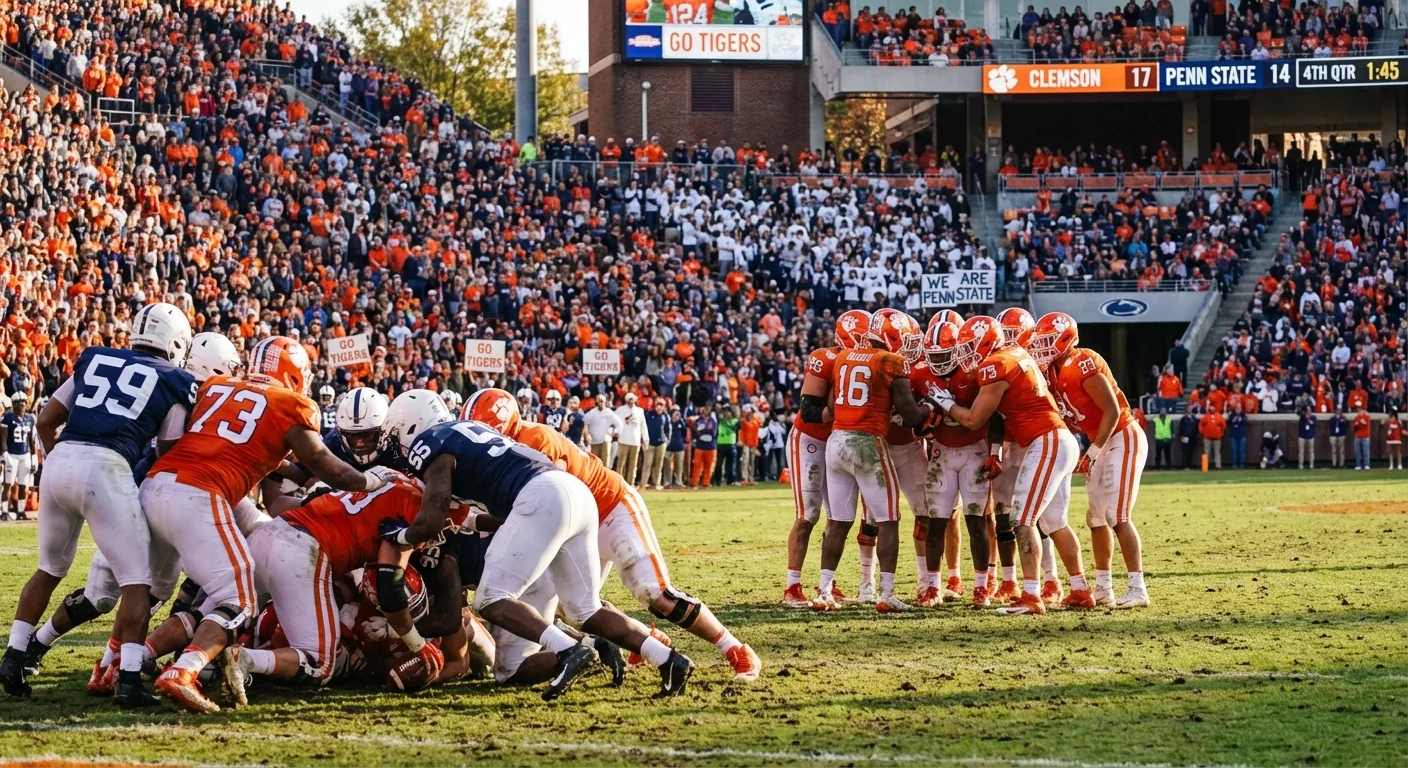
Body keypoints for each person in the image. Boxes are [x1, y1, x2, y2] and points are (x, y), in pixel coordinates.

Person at [384, 396, 697, 700]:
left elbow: (434, 511)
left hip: (541, 496)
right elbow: (489, 512)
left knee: (491, 598)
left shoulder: (432, 442)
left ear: (411, 426)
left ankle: (568, 649)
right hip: (573, 493)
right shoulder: (470, 432)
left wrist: (401, 536)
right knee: (585, 609)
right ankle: (669, 659)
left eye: (396, 435)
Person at [147, 336, 389, 713]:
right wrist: (371, 483)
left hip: (158, 483)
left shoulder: (216, 387)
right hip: (209, 497)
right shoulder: (290, 405)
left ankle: (126, 661)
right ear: (293, 374)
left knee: (187, 598)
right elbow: (323, 466)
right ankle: (186, 668)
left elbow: (234, 444)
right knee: (240, 602)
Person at [462, 388, 760, 681]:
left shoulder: (535, 441)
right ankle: (647, 641)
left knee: (654, 592)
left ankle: (734, 648)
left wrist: (472, 521)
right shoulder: (506, 446)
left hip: (608, 507)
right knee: (573, 606)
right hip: (571, 525)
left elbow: (536, 506)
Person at [20, 333, 243, 691]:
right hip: (134, 498)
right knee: (114, 594)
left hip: (152, 500)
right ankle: (54, 648)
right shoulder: (180, 389)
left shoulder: (182, 388)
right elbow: (168, 448)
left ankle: (112, 664)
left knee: (150, 591)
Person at [1, 303, 195, 707]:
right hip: (108, 467)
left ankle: (14, 655)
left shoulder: (95, 357)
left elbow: (45, 420)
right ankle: (127, 680)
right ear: (175, 341)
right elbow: (169, 451)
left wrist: (62, 459)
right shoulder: (176, 379)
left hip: (60, 461)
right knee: (137, 582)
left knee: (49, 568)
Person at [934, 313, 1091, 615]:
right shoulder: (1016, 353)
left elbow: (973, 419)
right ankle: (1081, 589)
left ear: (988, 342)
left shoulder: (996, 364)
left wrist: (944, 402)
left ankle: (1031, 594)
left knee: (1023, 519)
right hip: (1057, 439)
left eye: (970, 346)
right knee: (1054, 521)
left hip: (1045, 442)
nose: (967, 353)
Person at [803, 310, 933, 613]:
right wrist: (931, 406)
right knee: (888, 520)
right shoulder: (891, 362)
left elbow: (836, 402)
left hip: (836, 441)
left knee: (837, 521)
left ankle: (825, 591)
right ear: (892, 337)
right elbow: (912, 417)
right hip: (867, 442)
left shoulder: (844, 356)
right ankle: (886, 593)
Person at [1032, 312, 1149, 609]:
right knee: (1095, 518)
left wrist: (1093, 450)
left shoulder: (1083, 361)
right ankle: (1103, 587)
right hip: (1100, 442)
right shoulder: (1054, 372)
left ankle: (1138, 588)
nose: (1043, 347)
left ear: (1065, 338)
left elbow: (1111, 410)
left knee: (1117, 515)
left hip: (1122, 436)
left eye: (1048, 341)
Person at [782, 309, 870, 607]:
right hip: (810, 438)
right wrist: (840, 410)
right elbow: (808, 410)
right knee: (808, 515)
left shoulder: (872, 362)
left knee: (840, 517)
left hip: (838, 443)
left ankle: (826, 582)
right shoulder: (825, 359)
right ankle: (792, 586)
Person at [913, 319, 994, 607]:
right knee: (937, 523)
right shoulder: (920, 372)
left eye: (943, 355)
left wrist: (994, 450)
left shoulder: (975, 372)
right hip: (942, 451)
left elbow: (991, 414)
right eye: (932, 356)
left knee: (976, 521)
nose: (937, 362)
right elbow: (913, 416)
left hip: (974, 449)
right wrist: (921, 423)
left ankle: (982, 587)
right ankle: (934, 587)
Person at [0, 393, 36, 521]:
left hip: (24, 454)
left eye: (23, 403)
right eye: (18, 403)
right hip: (12, 454)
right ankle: (4, 511)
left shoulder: (29, 418)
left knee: (23, 484)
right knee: (8, 483)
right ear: (14, 405)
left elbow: (31, 440)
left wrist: (34, 456)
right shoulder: (8, 418)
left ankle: (21, 511)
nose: (21, 406)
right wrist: (4, 453)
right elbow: (3, 438)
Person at [613, 393, 646, 486]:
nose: (631, 401)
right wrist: (615, 431)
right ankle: (619, 483)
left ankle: (630, 484)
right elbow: (614, 422)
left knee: (633, 464)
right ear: (626, 400)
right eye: (629, 399)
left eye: (633, 399)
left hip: (635, 441)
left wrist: (645, 439)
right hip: (623, 440)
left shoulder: (640, 411)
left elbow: (643, 425)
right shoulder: (620, 410)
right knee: (621, 463)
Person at [641, 398, 671, 490]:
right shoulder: (649, 414)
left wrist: (667, 441)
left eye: (661, 405)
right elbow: (644, 427)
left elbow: (668, 429)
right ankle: (643, 484)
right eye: (658, 405)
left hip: (661, 443)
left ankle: (656, 484)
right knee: (647, 464)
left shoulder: (666, 416)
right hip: (650, 443)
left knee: (659, 465)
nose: (659, 407)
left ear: (664, 407)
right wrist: (644, 440)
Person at [584, 398, 622, 466]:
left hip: (605, 440)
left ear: (605, 402)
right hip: (594, 440)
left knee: (605, 463)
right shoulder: (592, 413)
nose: (600, 403)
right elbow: (584, 423)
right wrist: (587, 434)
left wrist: (614, 432)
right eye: (599, 401)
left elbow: (619, 423)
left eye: (602, 401)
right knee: (594, 462)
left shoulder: (609, 412)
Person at [690, 403, 719, 488]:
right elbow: (695, 431)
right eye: (705, 409)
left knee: (709, 466)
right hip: (700, 446)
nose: (706, 411)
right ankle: (694, 483)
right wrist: (703, 429)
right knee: (697, 465)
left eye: (708, 409)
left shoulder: (713, 420)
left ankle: (705, 483)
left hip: (710, 446)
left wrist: (703, 429)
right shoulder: (698, 420)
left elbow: (713, 432)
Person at [716, 405, 740, 486]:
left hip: (731, 444)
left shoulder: (735, 421)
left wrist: (725, 420)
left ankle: (731, 480)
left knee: (732, 464)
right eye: (724, 411)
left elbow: (734, 428)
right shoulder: (719, 420)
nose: (726, 413)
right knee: (719, 464)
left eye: (728, 411)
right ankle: (717, 480)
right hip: (721, 444)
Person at [738, 405, 761, 486]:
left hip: (754, 443)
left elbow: (759, 425)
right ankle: (745, 478)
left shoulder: (756, 421)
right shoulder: (744, 421)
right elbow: (741, 431)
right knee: (745, 461)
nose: (750, 414)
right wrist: (740, 440)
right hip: (746, 443)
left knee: (752, 461)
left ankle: (751, 478)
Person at [667, 404, 688, 488]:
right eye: (674, 411)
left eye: (677, 411)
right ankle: (667, 482)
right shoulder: (668, 421)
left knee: (679, 466)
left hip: (679, 447)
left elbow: (684, 433)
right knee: (667, 466)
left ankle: (678, 481)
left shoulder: (681, 422)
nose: (676, 413)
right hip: (668, 447)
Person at [1228, 402, 1249, 469]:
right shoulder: (1232, 415)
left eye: (1239, 408)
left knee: (1241, 451)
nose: (1238, 409)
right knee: (1234, 451)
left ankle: (1241, 464)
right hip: (1233, 435)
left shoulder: (1243, 415)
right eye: (1237, 408)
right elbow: (1229, 422)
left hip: (1241, 435)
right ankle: (1234, 464)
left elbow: (1244, 423)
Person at [1352, 405, 1372, 470]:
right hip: (1357, 436)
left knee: (1366, 451)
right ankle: (1358, 465)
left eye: (1360, 410)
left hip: (1365, 436)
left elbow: (1366, 425)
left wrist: (1361, 422)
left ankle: (1366, 464)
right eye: (1358, 410)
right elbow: (1355, 427)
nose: (1359, 411)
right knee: (1357, 452)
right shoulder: (1356, 418)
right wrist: (1357, 423)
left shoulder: (1367, 417)